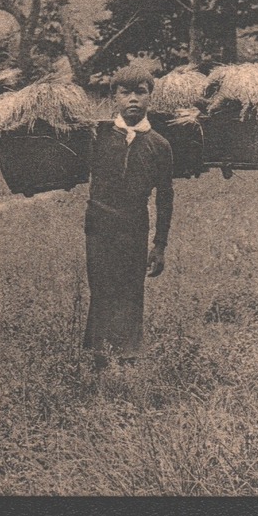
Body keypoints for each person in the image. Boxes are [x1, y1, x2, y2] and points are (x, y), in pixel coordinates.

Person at [82, 63, 174, 365]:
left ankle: (128, 355)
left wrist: (159, 245)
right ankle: (99, 354)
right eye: (125, 93)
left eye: (140, 92)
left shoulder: (159, 145)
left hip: (135, 224)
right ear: (114, 98)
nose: (133, 99)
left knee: (131, 287)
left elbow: (164, 197)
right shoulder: (98, 137)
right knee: (101, 284)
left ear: (150, 97)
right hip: (99, 221)